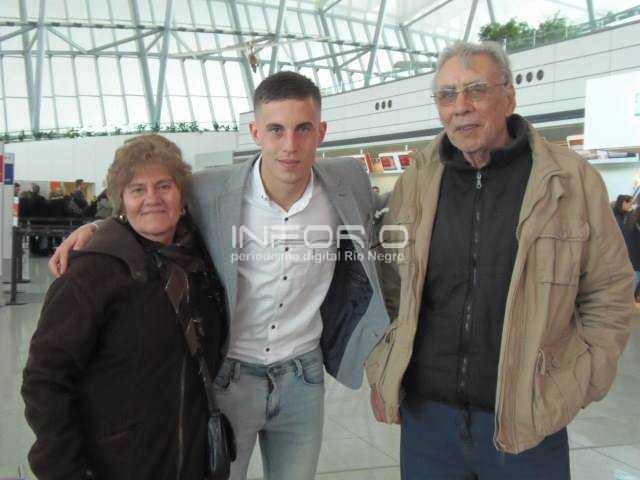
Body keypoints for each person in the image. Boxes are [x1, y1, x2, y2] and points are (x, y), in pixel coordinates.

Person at [48, 71, 389, 480]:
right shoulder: (209, 190)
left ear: (322, 131)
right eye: (276, 129)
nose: (290, 145)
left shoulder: (349, 180)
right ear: (255, 132)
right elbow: (152, 207)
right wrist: (98, 227)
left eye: (303, 128)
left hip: (304, 376)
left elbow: (394, 214)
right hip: (230, 376)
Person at [366, 41, 635, 479]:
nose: (461, 106)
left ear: (509, 97)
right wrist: (387, 363)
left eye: (476, 90)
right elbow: (390, 281)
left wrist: (578, 380)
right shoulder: (418, 179)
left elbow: (610, 290)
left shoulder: (568, 180)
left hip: (528, 417)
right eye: (447, 95)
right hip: (427, 419)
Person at [23, 134, 228, 480]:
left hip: (189, 459)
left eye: (164, 186)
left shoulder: (198, 259)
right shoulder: (91, 273)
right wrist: (65, 471)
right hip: (119, 464)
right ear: (121, 200)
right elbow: (45, 379)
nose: (152, 199)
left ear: (182, 196)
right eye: (137, 190)